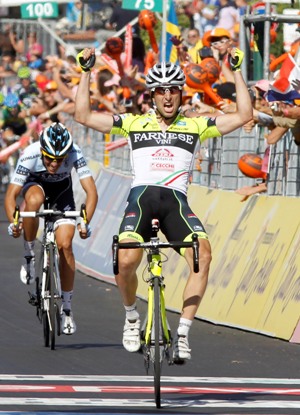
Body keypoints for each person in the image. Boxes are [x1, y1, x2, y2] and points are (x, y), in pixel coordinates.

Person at [74, 47, 252, 362]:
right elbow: (83, 116)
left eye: (173, 91)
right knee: (126, 261)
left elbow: (243, 116)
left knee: (204, 255)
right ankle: (131, 318)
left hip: (175, 204)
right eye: (161, 92)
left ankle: (182, 332)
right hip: (141, 199)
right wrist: (86, 71)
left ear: (181, 94)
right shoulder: (132, 123)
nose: (167, 97)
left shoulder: (196, 125)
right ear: (152, 95)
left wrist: (237, 71)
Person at [4, 122, 98, 335]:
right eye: (49, 159)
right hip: (34, 188)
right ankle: (29, 255)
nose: (54, 164)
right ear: (42, 151)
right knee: (35, 199)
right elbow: (11, 195)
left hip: (61, 194)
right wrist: (14, 222)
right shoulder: (30, 153)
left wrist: (85, 221)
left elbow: (91, 192)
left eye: (60, 159)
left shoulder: (75, 152)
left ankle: (66, 308)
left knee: (65, 245)